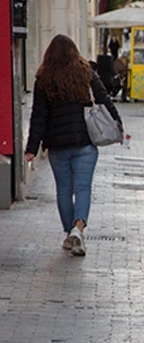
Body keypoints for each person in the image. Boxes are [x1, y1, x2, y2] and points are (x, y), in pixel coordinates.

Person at [24, 34, 123, 257]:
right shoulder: (86, 72)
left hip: (58, 146)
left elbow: (38, 115)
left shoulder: (44, 78)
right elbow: (104, 99)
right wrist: (117, 124)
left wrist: (31, 147)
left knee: (64, 191)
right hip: (84, 143)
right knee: (83, 188)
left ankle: (70, 234)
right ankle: (78, 229)